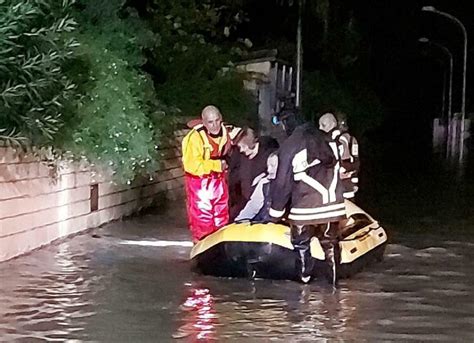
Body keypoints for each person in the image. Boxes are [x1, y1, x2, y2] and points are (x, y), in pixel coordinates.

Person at [268, 123, 346, 286]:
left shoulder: (291, 145)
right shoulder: (331, 142)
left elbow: (283, 181)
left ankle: (304, 286)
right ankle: (334, 287)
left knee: (301, 245)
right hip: (333, 207)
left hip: (304, 206)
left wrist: (276, 211)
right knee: (330, 245)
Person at [181, 105, 231, 242]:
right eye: (210, 122)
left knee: (221, 214)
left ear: (221, 119)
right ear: (203, 122)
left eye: (217, 120)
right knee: (202, 216)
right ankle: (201, 244)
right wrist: (216, 165)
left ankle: (221, 243)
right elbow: (191, 165)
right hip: (200, 181)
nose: (215, 125)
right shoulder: (194, 138)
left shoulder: (226, 133)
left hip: (218, 179)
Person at [229, 127, 279, 220]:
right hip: (244, 206)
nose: (241, 150)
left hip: (263, 209)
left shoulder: (269, 155)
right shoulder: (240, 157)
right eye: (240, 147)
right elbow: (233, 179)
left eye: (243, 147)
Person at [319, 112, 360, 199]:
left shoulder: (339, 140)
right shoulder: (352, 138)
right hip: (351, 183)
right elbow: (355, 159)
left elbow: (342, 160)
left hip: (342, 185)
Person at [234, 153, 278, 222]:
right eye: (268, 166)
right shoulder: (264, 182)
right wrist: (239, 220)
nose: (269, 170)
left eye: (272, 166)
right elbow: (253, 205)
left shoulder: (291, 185)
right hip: (263, 224)